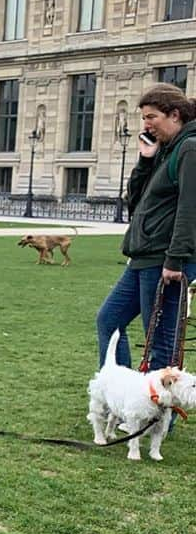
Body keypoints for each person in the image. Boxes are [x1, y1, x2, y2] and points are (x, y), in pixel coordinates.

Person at [95, 84, 196, 369]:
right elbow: (137, 202)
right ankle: (120, 394)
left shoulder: (189, 149)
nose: (146, 124)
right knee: (109, 320)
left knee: (161, 340)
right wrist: (145, 159)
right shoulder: (167, 150)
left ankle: (159, 412)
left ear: (174, 115)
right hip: (142, 258)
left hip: (165, 260)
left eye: (152, 117)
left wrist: (175, 260)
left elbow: (191, 209)